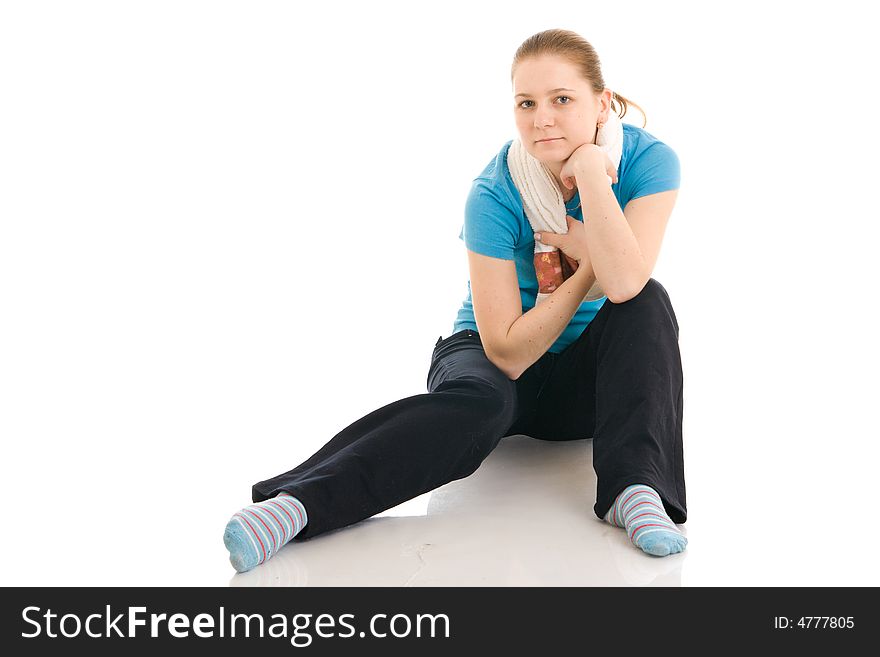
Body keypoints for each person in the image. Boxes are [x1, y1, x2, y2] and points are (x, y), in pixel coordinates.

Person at [223, 28, 687, 573]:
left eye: (562, 99)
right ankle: (295, 505)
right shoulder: (494, 191)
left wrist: (589, 171)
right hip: (493, 362)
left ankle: (634, 490)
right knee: (483, 402)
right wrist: (589, 265)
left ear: (602, 103)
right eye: (526, 103)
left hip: (587, 380)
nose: (543, 119)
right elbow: (508, 352)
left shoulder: (648, 162)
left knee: (648, 302)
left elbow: (628, 284)